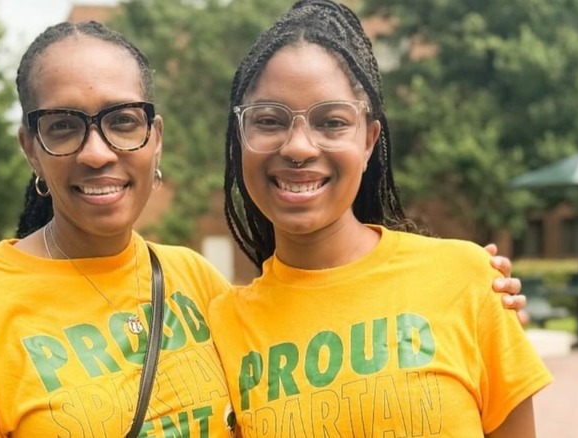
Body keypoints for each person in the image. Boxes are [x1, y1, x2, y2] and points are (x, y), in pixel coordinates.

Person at [0, 19, 525, 438]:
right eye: (64, 126)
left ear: (155, 137)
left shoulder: (198, 286)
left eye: (122, 121)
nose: (97, 152)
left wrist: (474, 296)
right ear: (30, 146)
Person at [209, 1, 551, 437]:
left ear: (369, 141)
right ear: (240, 139)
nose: (297, 147)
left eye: (331, 122)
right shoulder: (221, 327)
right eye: (270, 120)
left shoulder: (466, 279)